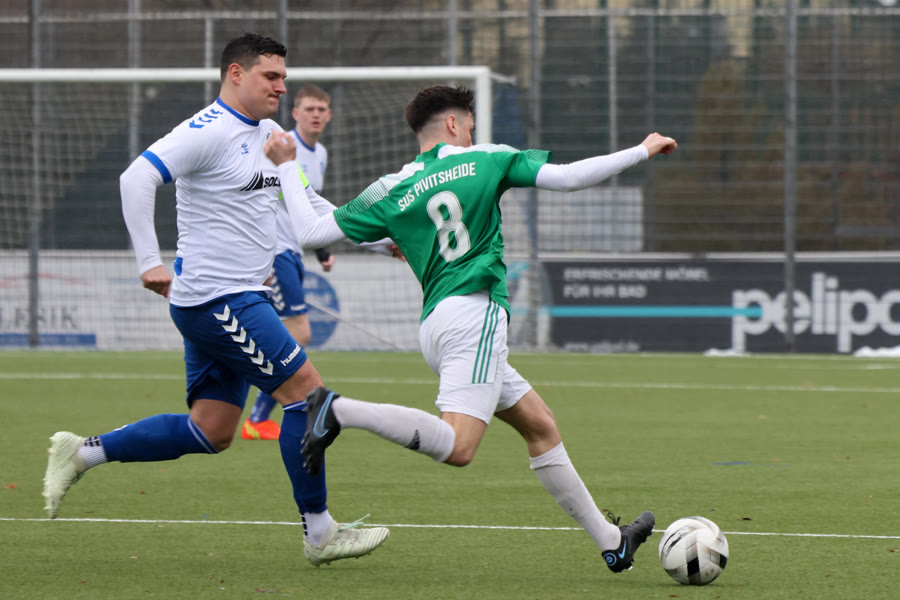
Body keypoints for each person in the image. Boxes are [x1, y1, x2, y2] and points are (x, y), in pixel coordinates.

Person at [263, 85, 677, 573]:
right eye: (471, 126)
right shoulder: (485, 159)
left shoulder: (392, 185)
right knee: (459, 448)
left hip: (437, 326)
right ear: (454, 124)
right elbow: (567, 178)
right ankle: (338, 410)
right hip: (475, 318)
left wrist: (287, 167)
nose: (473, 134)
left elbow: (312, 231)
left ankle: (613, 542)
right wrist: (641, 149)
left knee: (539, 424)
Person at [41, 33, 389, 567]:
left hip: (228, 299)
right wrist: (148, 261)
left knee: (212, 430)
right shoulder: (206, 130)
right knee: (308, 397)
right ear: (235, 74)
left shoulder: (271, 134)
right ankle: (320, 532)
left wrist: (380, 240)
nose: (281, 86)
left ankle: (83, 452)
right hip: (219, 299)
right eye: (270, 76)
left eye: (283, 77)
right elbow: (136, 177)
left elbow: (309, 202)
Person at [241, 85, 336, 441]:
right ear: (295, 113)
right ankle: (257, 417)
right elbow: (260, 199)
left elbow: (306, 205)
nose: (316, 115)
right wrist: (260, 255)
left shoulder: (320, 154)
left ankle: (258, 411)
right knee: (299, 332)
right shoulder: (279, 146)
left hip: (294, 252)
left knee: (288, 333)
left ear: (329, 115)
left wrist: (322, 252)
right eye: (309, 109)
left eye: (321, 109)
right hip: (276, 252)